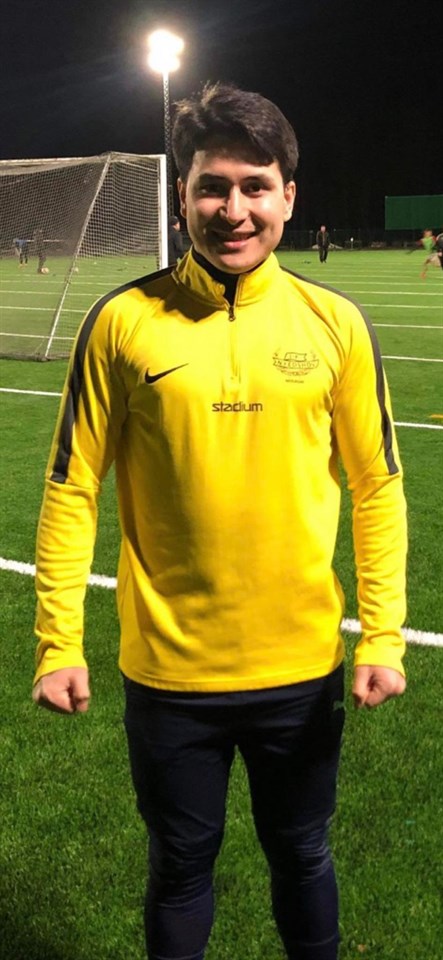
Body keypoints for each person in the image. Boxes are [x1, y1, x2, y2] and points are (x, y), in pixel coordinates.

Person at [32, 81, 407, 960]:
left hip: (300, 668)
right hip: (169, 675)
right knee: (179, 865)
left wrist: (383, 636)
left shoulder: (334, 323)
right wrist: (57, 643)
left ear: (288, 197)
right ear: (182, 194)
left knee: (302, 853)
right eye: (212, 187)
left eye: (253, 187)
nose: (232, 210)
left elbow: (377, 487)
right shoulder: (121, 322)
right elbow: (72, 487)